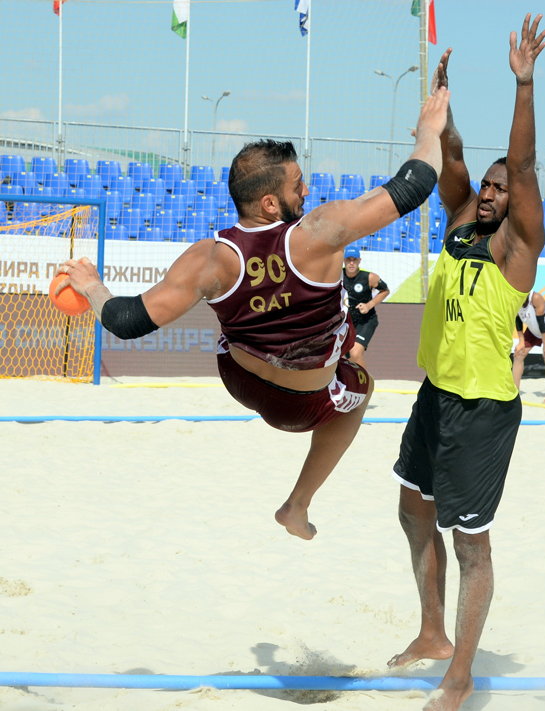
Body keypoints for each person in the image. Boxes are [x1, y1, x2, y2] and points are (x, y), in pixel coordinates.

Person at [55, 88, 451, 542]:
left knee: (237, 324)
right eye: (297, 184)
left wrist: (91, 284)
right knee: (360, 381)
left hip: (240, 381)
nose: (307, 190)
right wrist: (429, 131)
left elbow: (126, 322)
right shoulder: (319, 233)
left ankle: (274, 361)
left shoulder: (208, 258)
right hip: (305, 405)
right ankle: (297, 505)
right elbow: (415, 184)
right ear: (269, 203)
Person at [387, 17, 545, 711]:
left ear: (517, 203)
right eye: (485, 183)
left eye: (499, 187)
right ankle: (433, 633)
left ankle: (462, 676)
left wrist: (522, 84)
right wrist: (442, 109)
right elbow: (451, 156)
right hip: (436, 394)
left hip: (482, 409)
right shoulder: (459, 215)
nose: (489, 190)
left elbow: (524, 163)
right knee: (410, 506)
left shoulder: (518, 245)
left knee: (470, 545)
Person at [342, 244, 390, 369]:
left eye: (354, 260)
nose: (351, 263)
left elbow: (385, 291)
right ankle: (355, 383)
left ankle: (365, 386)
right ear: (344, 260)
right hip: (346, 322)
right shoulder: (337, 276)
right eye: (348, 260)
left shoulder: (369, 277)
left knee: (355, 353)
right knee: (349, 357)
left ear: (359, 261)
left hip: (365, 320)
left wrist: (369, 305)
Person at [513, 290, 545, 403]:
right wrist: (521, 341)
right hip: (533, 330)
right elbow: (517, 320)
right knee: (518, 355)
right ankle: (514, 392)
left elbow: (541, 322)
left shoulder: (536, 298)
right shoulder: (514, 298)